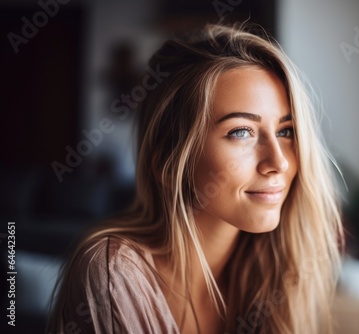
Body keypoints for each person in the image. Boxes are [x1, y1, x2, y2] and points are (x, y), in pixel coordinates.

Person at [47, 23, 344, 334]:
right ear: (168, 161)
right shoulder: (113, 274)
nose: (279, 162)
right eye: (241, 132)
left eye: (286, 131)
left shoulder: (280, 274)